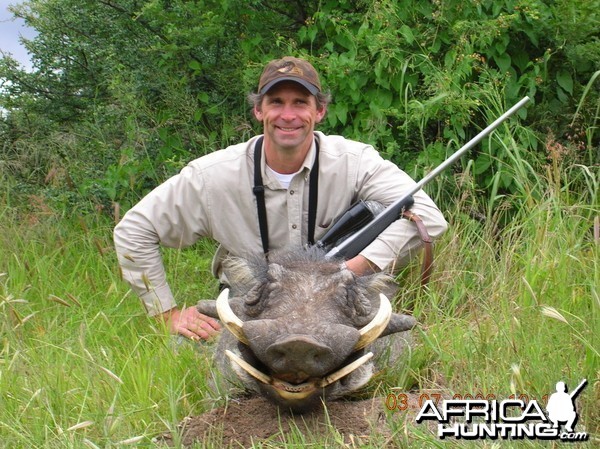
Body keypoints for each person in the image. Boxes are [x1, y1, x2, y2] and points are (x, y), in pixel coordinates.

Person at [113, 56, 448, 341]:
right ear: (259, 110)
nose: (288, 115)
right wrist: (167, 314)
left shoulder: (356, 161)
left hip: (340, 299)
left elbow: (429, 218)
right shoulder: (212, 175)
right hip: (256, 303)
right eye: (276, 103)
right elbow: (134, 230)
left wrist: (349, 270)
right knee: (192, 351)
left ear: (320, 111)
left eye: (300, 103)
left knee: (395, 349)